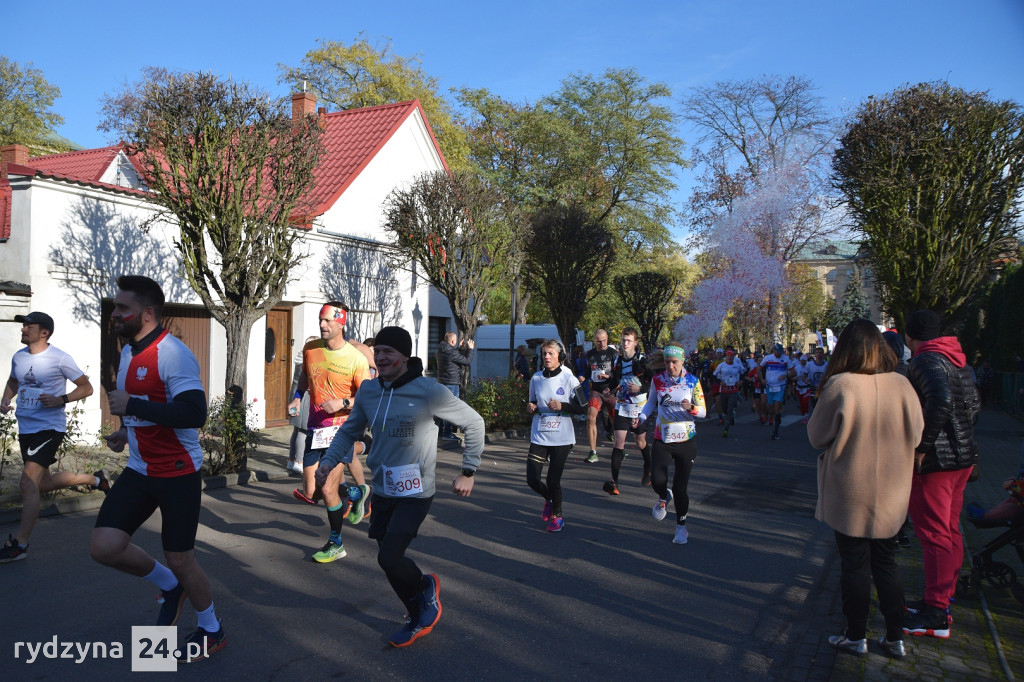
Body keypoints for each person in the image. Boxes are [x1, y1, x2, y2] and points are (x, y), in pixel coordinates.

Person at [316, 326, 484, 647]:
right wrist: (329, 461)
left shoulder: (427, 390)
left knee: (389, 558)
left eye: (388, 352)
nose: (380, 357)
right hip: (382, 489)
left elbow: (474, 422)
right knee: (387, 558)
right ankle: (415, 614)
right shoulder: (368, 391)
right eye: (377, 351)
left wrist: (469, 469)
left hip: (416, 491)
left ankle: (424, 588)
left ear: (404, 357)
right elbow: (349, 432)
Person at [88, 276, 224, 662]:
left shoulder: (173, 354)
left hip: (178, 471)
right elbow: (145, 407)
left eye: (122, 309)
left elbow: (193, 413)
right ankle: (170, 586)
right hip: (140, 467)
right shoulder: (130, 351)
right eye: (115, 307)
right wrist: (125, 432)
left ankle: (212, 628)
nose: (115, 314)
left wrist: (133, 408)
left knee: (182, 558)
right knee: (104, 547)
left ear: (147, 314)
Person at [808, 319, 924, 659]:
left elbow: (816, 437)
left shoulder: (841, 385)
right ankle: (894, 636)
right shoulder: (902, 384)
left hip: (849, 491)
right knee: (887, 563)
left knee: (854, 566)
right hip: (891, 489)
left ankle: (855, 635)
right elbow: (917, 435)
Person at [0, 312, 106, 564]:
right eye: (24, 326)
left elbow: (86, 387)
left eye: (29, 326)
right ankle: (97, 479)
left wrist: (61, 399)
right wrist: (6, 398)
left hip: (49, 428)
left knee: (27, 484)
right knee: (43, 484)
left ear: (44, 332)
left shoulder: (59, 358)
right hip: (26, 427)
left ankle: (20, 545)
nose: (24, 329)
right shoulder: (19, 357)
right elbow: (14, 381)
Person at [902, 309, 980, 639]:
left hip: (936, 463)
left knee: (933, 534)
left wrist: (922, 446)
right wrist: (960, 433)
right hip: (961, 459)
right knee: (949, 530)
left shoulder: (925, 360)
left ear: (910, 336)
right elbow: (973, 402)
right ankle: (941, 599)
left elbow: (942, 400)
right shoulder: (956, 357)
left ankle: (936, 612)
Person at [287, 301, 372, 563]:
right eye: (320, 320)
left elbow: (368, 397)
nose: (322, 325)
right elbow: (305, 376)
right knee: (311, 491)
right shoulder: (311, 349)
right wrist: (298, 397)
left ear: (341, 323)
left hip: (341, 431)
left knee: (327, 491)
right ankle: (357, 493)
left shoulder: (355, 359)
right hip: (316, 428)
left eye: (327, 321)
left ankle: (336, 542)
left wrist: (343, 403)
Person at [635, 343, 706, 544]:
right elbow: (650, 404)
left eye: (674, 362)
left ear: (682, 361)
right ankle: (664, 495)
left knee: (681, 488)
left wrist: (691, 407)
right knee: (657, 480)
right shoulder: (658, 380)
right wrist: (640, 418)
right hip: (663, 438)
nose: (670, 366)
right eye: (667, 362)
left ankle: (681, 527)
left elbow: (703, 411)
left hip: (686, 441)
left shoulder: (692, 381)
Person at [526, 339, 587, 531]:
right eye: (544, 353)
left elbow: (582, 406)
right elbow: (532, 401)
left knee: (553, 480)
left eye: (550, 353)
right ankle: (548, 498)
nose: (546, 357)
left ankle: (558, 516)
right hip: (540, 433)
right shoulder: (536, 378)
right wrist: (531, 407)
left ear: (559, 356)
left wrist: (562, 406)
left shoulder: (570, 379)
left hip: (561, 436)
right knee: (532, 479)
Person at [605, 328, 651, 493]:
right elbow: (615, 380)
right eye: (623, 340)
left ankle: (648, 467)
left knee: (640, 442)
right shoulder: (617, 361)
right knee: (619, 443)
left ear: (635, 343)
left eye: (628, 341)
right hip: (622, 406)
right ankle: (614, 482)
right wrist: (609, 389)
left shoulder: (642, 361)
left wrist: (640, 388)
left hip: (639, 408)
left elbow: (652, 383)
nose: (625, 344)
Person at [582, 329, 617, 463]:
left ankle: (619, 448)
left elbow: (618, 374)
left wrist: (608, 376)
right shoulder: (590, 354)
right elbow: (588, 369)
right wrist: (583, 376)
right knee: (591, 417)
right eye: (598, 341)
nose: (601, 344)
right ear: (594, 340)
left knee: (616, 419)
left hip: (611, 390)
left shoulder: (613, 353)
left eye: (603, 341)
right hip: (596, 390)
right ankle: (593, 451)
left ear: (607, 339)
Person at [287, 335, 319, 475]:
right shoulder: (308, 361)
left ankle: (291, 459)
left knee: (296, 430)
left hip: (295, 396)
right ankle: (299, 462)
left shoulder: (299, 359)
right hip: (304, 398)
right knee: (303, 430)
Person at [436, 332, 474, 439]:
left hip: (442, 382)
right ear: (453, 341)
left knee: (441, 409)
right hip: (452, 383)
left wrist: (459, 348)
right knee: (450, 409)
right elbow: (467, 361)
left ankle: (439, 432)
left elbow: (452, 356)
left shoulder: (441, 349)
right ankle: (447, 433)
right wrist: (470, 349)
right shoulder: (452, 352)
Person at [760, 343, 794, 440]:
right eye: (778, 352)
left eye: (780, 352)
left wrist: (785, 375)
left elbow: (793, 372)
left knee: (777, 407)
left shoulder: (786, 359)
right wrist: (762, 379)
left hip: (780, 386)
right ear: (774, 351)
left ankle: (776, 431)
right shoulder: (767, 358)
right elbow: (759, 369)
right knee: (771, 408)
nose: (779, 354)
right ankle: (776, 417)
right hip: (769, 386)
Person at [712, 350, 743, 437]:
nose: (729, 357)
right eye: (728, 356)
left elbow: (744, 374)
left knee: (729, 409)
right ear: (726, 357)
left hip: (733, 390)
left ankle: (726, 428)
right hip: (724, 390)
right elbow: (713, 376)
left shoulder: (737, 366)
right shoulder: (721, 365)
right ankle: (731, 415)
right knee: (724, 409)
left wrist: (741, 381)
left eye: (731, 356)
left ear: (733, 357)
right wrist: (719, 382)